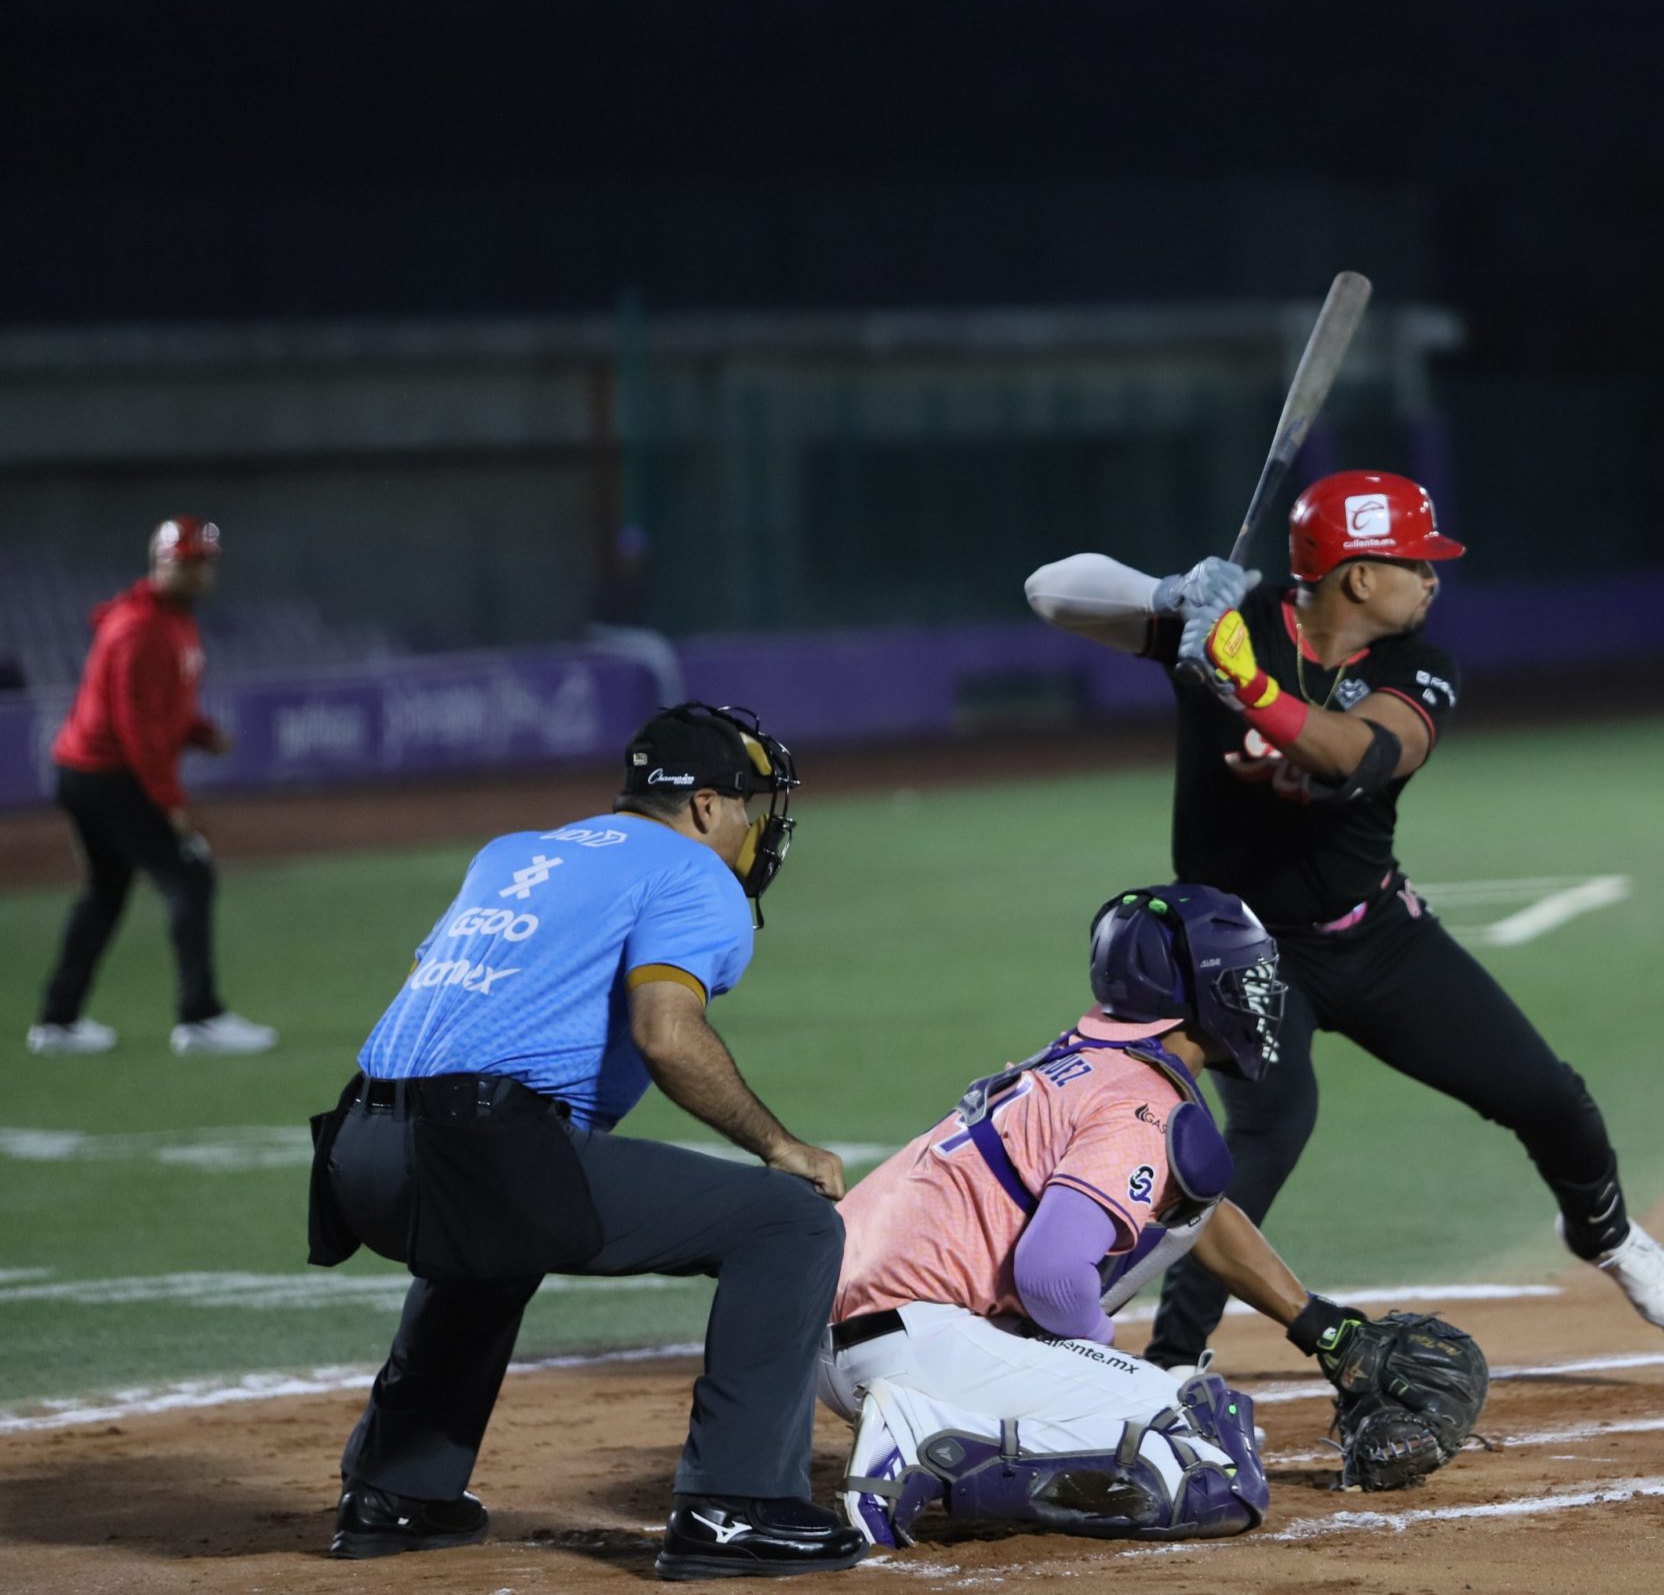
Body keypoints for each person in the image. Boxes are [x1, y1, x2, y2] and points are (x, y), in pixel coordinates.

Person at [1024, 471, 1664, 1375]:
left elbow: (1362, 753)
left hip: (1377, 935)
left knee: (1547, 1095)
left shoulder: (1416, 665)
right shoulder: (1229, 621)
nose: (1432, 579)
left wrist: (1245, 683)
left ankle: (1603, 1231)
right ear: (1358, 575)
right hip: (1242, 956)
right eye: (1416, 562)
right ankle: (1173, 1358)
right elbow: (1048, 589)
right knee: (1266, 1132)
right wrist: (1170, 595)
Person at [307, 702, 869, 1580]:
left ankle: (396, 1490)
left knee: (492, 1235)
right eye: (749, 805)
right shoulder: (694, 870)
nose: (756, 828)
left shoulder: (512, 854)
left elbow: (441, 996)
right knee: (788, 1224)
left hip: (355, 1150)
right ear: (706, 806)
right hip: (476, 1149)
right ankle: (736, 1506)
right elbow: (665, 1034)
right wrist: (779, 1144)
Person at [822, 883, 1446, 1548]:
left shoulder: (1085, 1060)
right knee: (1212, 1462)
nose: (1259, 995)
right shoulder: (1141, 1101)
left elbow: (1193, 1215)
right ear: (1200, 994)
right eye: (1243, 979)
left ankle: (951, 1427)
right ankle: (922, 1439)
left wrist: (1318, 1324)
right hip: (919, 1343)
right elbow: (1052, 1275)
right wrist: (1096, 1359)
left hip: (846, 1339)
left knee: (1172, 1377)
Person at [31, 516, 275, 1056]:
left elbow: (162, 707)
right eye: (189, 562)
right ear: (163, 563)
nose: (201, 572)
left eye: (206, 561)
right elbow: (135, 726)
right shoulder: (140, 628)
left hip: (90, 771)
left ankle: (58, 1021)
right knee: (190, 876)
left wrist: (198, 732)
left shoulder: (170, 620)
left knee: (106, 891)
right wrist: (171, 803)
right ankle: (200, 1018)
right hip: (107, 773)